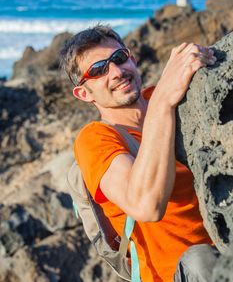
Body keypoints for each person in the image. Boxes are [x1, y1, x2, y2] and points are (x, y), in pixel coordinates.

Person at [60, 25, 219, 282]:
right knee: (200, 259)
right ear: (83, 93)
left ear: (132, 59)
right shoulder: (96, 139)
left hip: (226, 242)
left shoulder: (173, 95)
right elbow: (146, 205)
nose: (116, 72)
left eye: (119, 58)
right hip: (179, 273)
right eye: (98, 70)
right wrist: (162, 102)